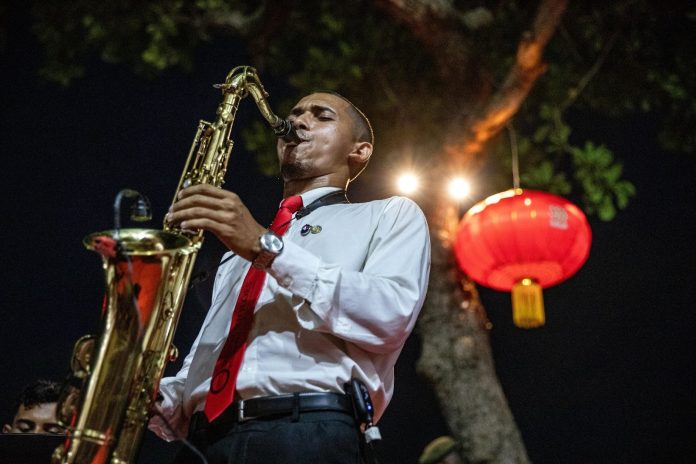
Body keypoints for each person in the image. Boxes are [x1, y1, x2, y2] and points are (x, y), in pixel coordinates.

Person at [149, 91, 431, 463]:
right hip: (204, 444)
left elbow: (390, 313)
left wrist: (266, 249)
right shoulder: (237, 254)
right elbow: (206, 359)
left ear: (359, 151)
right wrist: (159, 397)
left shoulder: (390, 214)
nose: (298, 121)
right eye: (295, 113)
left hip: (308, 433)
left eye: (321, 116)